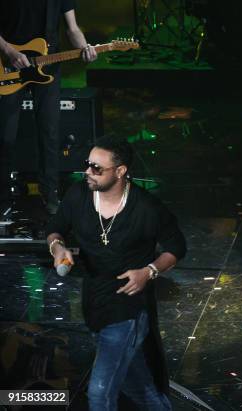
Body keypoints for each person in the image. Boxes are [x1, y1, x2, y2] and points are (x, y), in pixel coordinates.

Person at [46, 136, 186, 410]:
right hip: (94, 301)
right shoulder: (78, 195)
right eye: (88, 165)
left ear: (120, 171)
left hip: (127, 308)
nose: (88, 172)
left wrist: (149, 271)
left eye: (97, 168)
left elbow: (176, 248)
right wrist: (57, 247)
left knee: (99, 393)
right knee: (138, 388)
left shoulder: (147, 208)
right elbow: (55, 226)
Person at [0, 0, 97, 214]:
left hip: (48, 63)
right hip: (9, 62)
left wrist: (84, 47)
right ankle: (2, 196)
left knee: (50, 131)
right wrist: (9, 51)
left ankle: (50, 193)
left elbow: (72, 29)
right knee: (5, 135)